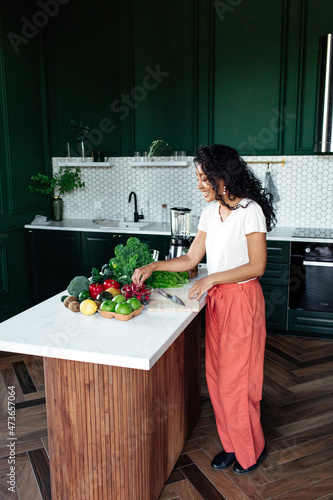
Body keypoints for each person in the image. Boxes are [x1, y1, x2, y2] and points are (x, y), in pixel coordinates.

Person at [131, 144, 276, 474]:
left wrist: (212, 280)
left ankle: (251, 450)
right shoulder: (211, 213)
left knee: (237, 382)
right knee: (216, 378)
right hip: (219, 304)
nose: (199, 185)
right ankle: (231, 445)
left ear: (221, 177)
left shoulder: (249, 210)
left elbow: (257, 266)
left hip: (241, 300)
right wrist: (154, 267)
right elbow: (191, 259)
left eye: (202, 178)